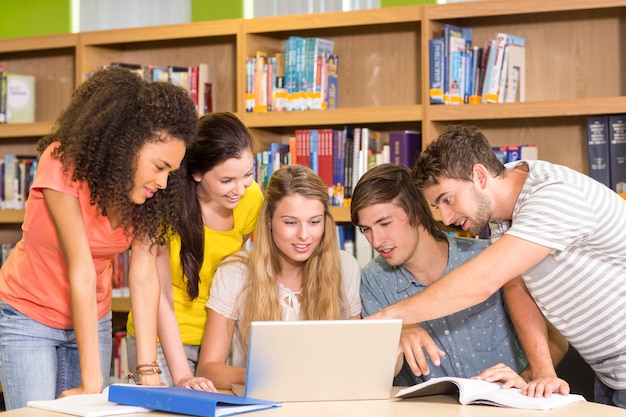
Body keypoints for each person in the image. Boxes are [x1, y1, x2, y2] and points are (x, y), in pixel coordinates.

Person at [370, 124, 626, 408]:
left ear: (480, 176)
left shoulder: (553, 196)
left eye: (448, 199)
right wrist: (542, 373)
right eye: (437, 206)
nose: (444, 217)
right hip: (609, 374)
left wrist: (385, 318)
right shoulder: (504, 207)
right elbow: (516, 286)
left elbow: (482, 282)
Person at [0, 66, 198, 410]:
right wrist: (93, 381)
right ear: (126, 146)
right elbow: (81, 267)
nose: (164, 183)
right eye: (159, 166)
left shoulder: (146, 198)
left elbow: (144, 275)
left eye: (172, 172)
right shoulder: (63, 163)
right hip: (28, 316)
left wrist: (148, 369)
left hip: (94, 319)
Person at [351, 163, 569, 396]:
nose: (376, 240)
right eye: (366, 230)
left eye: (385, 224)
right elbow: (372, 375)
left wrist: (526, 377)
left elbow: (557, 340)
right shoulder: (373, 280)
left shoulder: (489, 259)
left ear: (416, 212)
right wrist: (392, 337)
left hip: (506, 408)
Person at [125, 112, 264, 391]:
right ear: (197, 173)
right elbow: (160, 293)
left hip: (217, 341)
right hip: (160, 341)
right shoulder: (163, 205)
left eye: (248, 174)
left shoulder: (252, 200)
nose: (240, 189)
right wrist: (182, 376)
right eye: (227, 180)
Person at [195, 164, 362, 389]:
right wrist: (259, 375)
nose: (304, 235)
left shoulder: (345, 268)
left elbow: (357, 358)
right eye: (290, 222)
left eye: (314, 222)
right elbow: (208, 370)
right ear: (269, 222)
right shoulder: (235, 273)